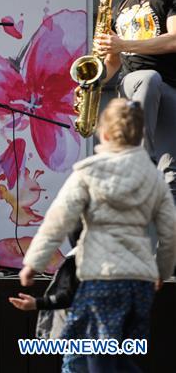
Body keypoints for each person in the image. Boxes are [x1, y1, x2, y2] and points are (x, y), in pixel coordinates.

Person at [21, 98, 176, 372]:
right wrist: (162, 270)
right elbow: (170, 230)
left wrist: (34, 263)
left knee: (97, 357)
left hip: (100, 280)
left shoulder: (88, 173)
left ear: (103, 133)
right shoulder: (153, 178)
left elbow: (58, 221)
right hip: (138, 283)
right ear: (140, 135)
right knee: (106, 356)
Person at [96, 0, 175, 184]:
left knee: (170, 176)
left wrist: (124, 44)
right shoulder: (119, 7)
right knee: (147, 78)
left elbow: (174, 40)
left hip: (169, 89)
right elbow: (113, 62)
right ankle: (139, 159)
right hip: (134, 86)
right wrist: (93, 80)